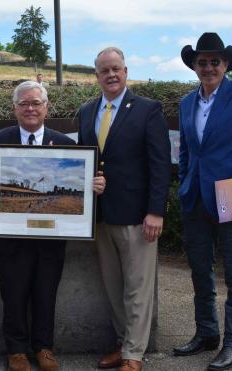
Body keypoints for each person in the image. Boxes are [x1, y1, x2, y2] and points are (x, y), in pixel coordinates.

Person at [0, 80, 105, 371]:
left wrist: (94, 185)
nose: (30, 108)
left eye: (36, 103)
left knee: (46, 292)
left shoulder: (68, 144)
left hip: (51, 237)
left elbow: (84, 184)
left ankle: (44, 348)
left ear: (46, 107)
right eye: (24, 103)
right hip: (8, 237)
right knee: (13, 292)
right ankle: (16, 351)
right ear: (15, 108)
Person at [173, 33, 232, 371]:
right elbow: (186, 150)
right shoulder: (187, 103)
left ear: (226, 64)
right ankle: (207, 334)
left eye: (215, 61)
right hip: (196, 198)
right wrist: (185, 181)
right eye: (203, 62)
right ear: (194, 66)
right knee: (200, 271)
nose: (209, 67)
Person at [77, 47, 171, 371]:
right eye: (105, 70)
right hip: (101, 217)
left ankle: (133, 353)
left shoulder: (147, 109)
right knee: (114, 286)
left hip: (137, 215)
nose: (111, 75)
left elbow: (161, 165)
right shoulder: (86, 111)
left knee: (137, 287)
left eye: (116, 68)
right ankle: (122, 342)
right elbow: (83, 160)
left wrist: (156, 211)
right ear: (97, 76)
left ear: (126, 71)